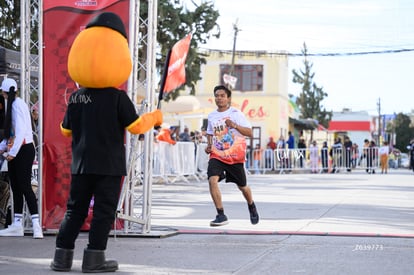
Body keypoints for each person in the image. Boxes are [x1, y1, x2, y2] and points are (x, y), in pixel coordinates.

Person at [50, 13, 162, 272]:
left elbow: (65, 130)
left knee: (74, 210)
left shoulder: (76, 98)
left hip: (81, 165)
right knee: (103, 211)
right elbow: (135, 126)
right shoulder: (117, 98)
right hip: (108, 165)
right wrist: (154, 117)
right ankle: (94, 258)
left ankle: (61, 257)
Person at [204, 85, 259, 226]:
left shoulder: (236, 114)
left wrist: (234, 125)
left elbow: (250, 133)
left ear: (228, 98)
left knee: (243, 187)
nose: (219, 98)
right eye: (217, 95)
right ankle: (221, 214)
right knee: (212, 180)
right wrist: (209, 144)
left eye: (222, 95)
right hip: (217, 154)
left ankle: (251, 205)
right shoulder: (211, 116)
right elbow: (210, 133)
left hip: (235, 156)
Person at [0, 77, 43, 239]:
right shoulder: (11, 105)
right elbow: (10, 134)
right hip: (18, 149)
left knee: (25, 186)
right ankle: (17, 224)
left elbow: (20, 133)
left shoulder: (17, 105)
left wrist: (12, 153)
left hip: (24, 150)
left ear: (4, 93)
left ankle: (36, 224)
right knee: (16, 187)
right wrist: (3, 148)